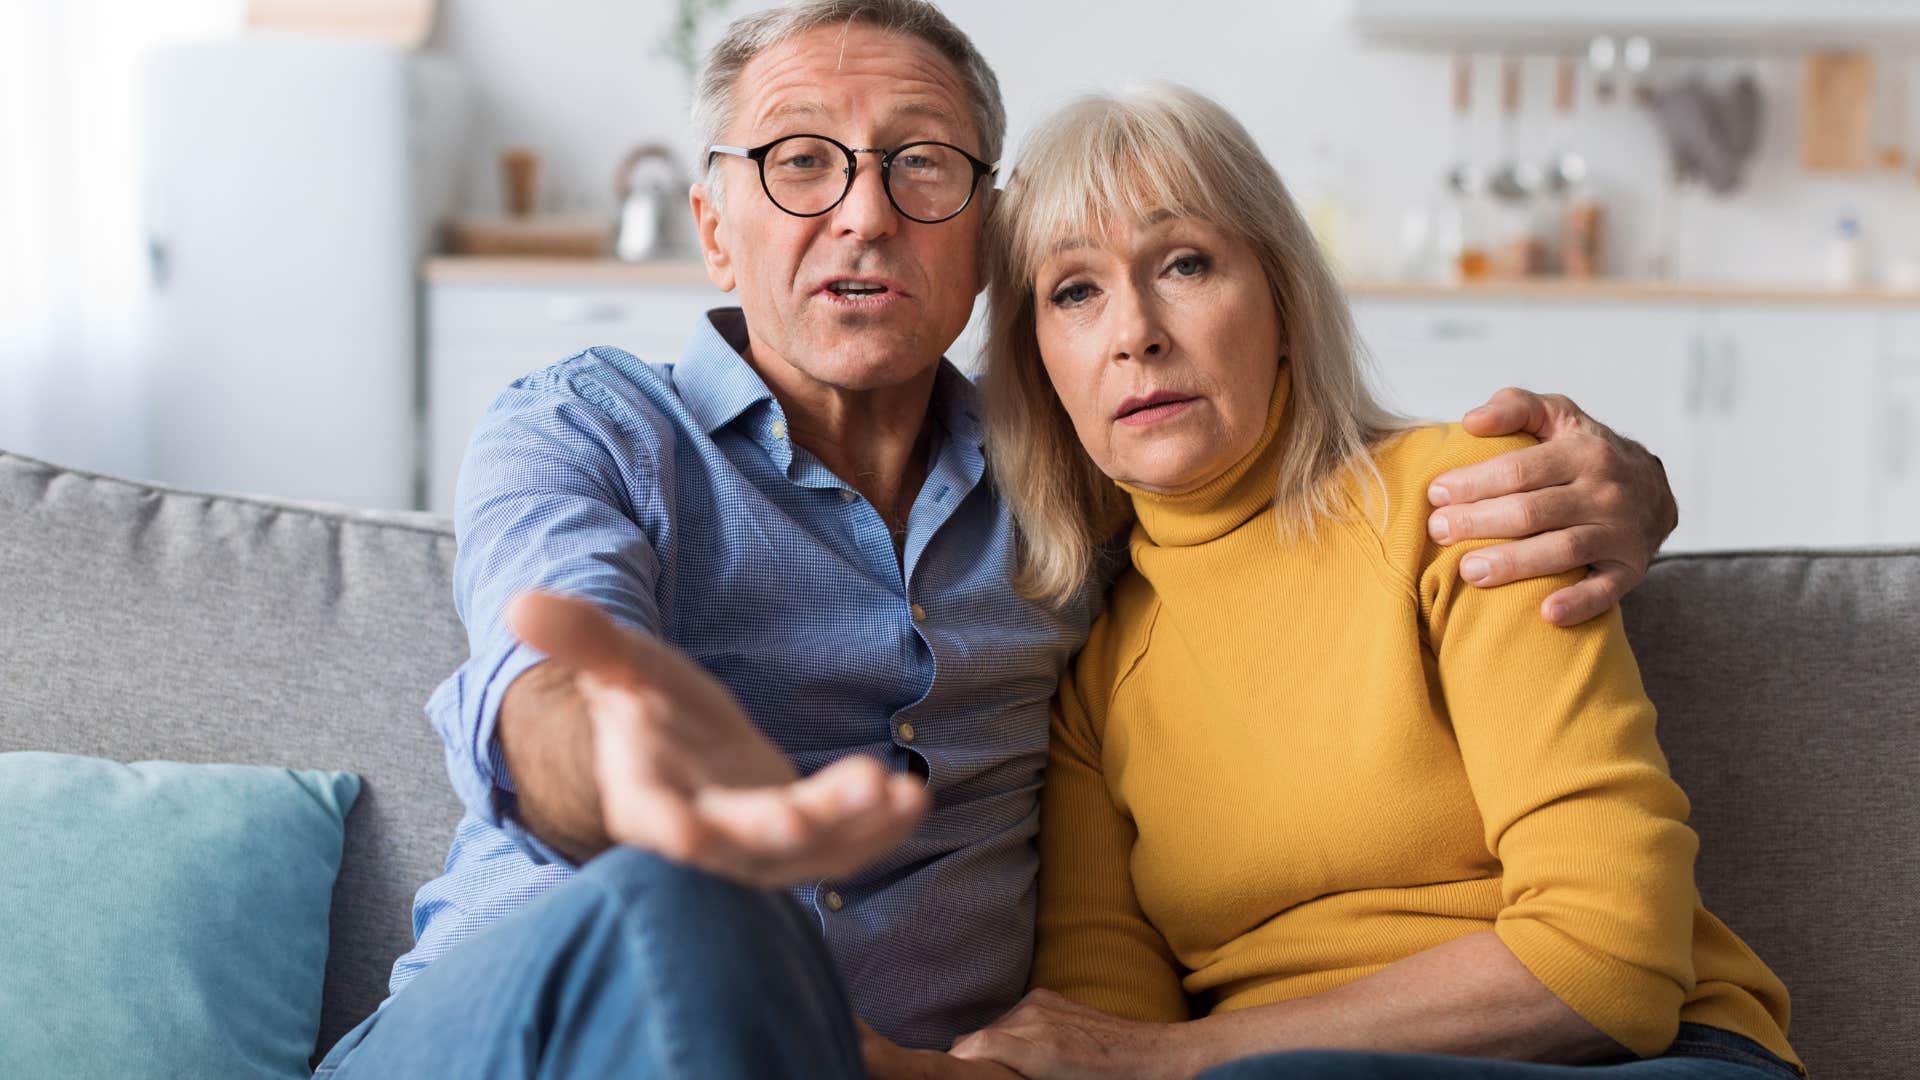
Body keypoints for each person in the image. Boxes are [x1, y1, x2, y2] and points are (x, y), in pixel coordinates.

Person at [315, 2, 1682, 1075]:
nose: (861, 211)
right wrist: (636, 777)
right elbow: (544, 673)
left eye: (921, 166)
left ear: (981, 244)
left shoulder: (1075, 507)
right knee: (689, 911)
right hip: (540, 1025)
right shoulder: (590, 433)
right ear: (716, 234)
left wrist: (1625, 489)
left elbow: (1275, 526)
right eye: (800, 164)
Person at [934, 83, 1801, 1079]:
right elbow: (1106, 1035)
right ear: (1040, 368)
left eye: (1184, 263)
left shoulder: (1468, 507)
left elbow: (1610, 958)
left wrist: (1197, 1055)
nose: (1136, 332)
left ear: (1285, 306)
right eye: (1074, 292)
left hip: (1646, 1057)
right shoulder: (1094, 673)